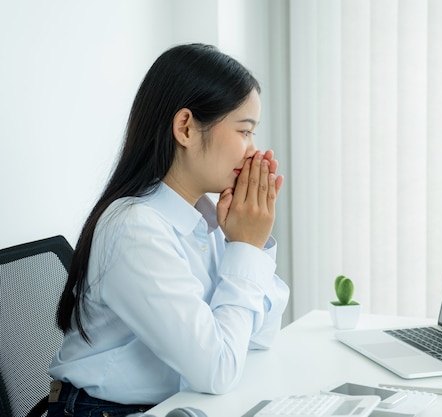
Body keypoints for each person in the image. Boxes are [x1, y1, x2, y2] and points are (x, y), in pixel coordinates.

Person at [48, 43, 289, 417]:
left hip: (172, 405)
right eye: (245, 131)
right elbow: (217, 370)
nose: (253, 152)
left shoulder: (206, 218)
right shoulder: (135, 228)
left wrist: (250, 244)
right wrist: (245, 248)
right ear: (186, 128)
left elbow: (259, 336)